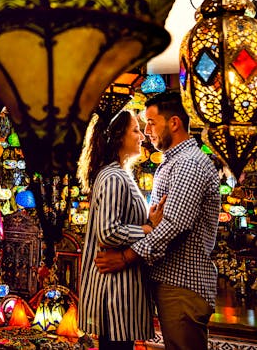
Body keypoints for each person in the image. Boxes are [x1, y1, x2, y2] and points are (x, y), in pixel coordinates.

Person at [95, 91, 221, 350]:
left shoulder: (188, 163)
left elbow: (173, 225)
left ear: (173, 123)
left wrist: (126, 256)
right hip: (174, 284)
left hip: (184, 285)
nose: (146, 131)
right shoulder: (174, 162)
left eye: (151, 122)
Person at [76, 109, 164, 350]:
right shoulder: (114, 177)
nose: (142, 136)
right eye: (136, 130)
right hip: (115, 293)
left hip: (119, 292)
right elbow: (109, 232)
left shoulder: (118, 174)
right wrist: (148, 228)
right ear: (118, 137)